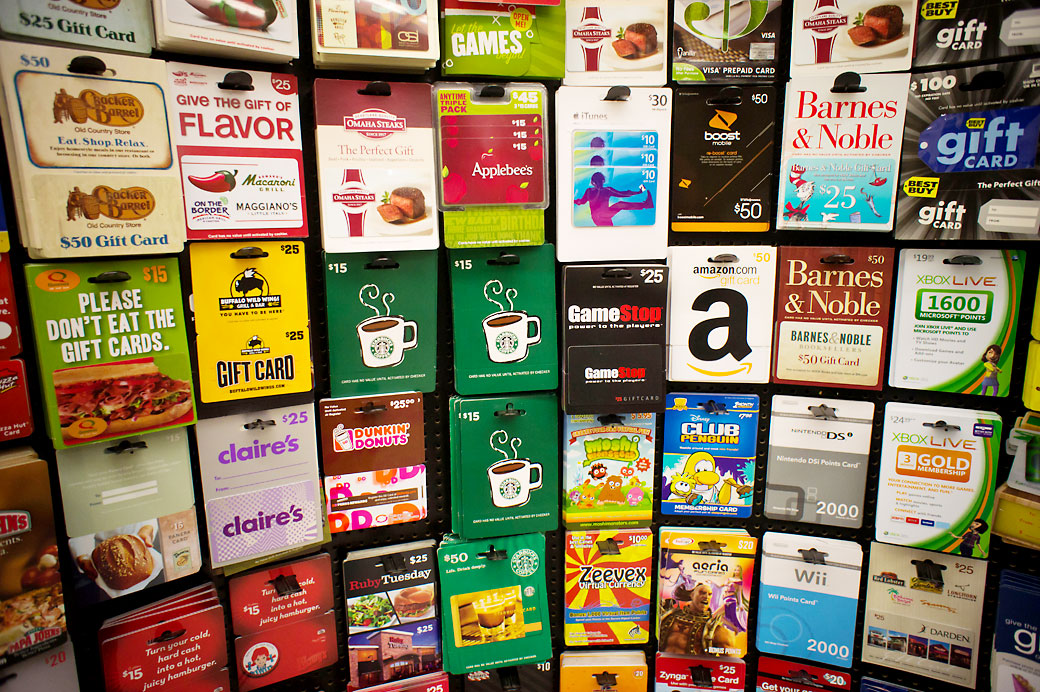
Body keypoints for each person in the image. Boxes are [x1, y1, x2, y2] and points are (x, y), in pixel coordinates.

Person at [574, 172, 653, 227]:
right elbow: (624, 194)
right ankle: (646, 205)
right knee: (620, 204)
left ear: (592, 182)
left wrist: (573, 200)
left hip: (599, 218)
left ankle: (646, 204)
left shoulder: (591, 191)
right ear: (603, 181)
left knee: (620, 205)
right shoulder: (606, 190)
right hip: (603, 217)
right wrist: (638, 192)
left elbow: (581, 202)